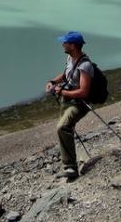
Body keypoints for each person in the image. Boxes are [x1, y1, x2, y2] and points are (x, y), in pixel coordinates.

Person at [46, 31, 94, 179]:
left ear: (72, 46)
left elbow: (83, 93)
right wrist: (53, 82)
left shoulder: (85, 66)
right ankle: (69, 161)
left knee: (63, 127)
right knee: (65, 128)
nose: (62, 44)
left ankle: (71, 168)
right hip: (68, 101)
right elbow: (66, 73)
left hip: (79, 103)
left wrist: (61, 92)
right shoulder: (70, 59)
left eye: (65, 42)